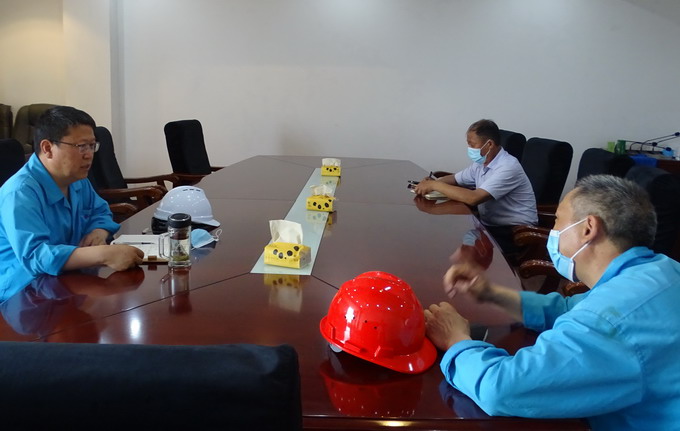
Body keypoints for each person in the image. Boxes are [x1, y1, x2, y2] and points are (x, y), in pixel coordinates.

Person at [424, 175, 680, 431]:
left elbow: (502, 389)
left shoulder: (609, 320)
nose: (553, 232)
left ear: (588, 229)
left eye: (558, 220)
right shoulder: (663, 270)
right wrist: (490, 293)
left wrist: (456, 340)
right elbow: (570, 310)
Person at [0, 106, 143, 302]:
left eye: (92, 145)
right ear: (47, 148)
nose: (89, 154)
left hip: (66, 281)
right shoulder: (20, 193)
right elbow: (36, 256)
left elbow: (100, 211)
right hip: (23, 295)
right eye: (81, 146)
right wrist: (102, 254)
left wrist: (99, 231)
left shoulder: (76, 179)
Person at [413, 119, 537, 252]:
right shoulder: (481, 163)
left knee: (453, 242)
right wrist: (433, 182)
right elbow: (456, 179)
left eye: (472, 144)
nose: (469, 148)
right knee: (445, 234)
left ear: (489, 144)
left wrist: (434, 185)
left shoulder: (508, 167)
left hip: (514, 232)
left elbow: (474, 198)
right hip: (489, 225)